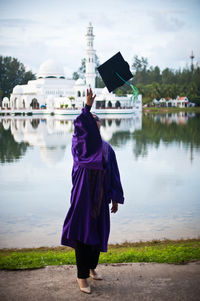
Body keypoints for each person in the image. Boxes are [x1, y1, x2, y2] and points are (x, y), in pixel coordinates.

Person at [61, 88, 124, 294]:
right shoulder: (79, 146)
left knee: (98, 234)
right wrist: (87, 107)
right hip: (83, 197)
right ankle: (82, 278)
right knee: (82, 234)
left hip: (100, 198)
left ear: (99, 128)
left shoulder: (107, 149)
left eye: (95, 124)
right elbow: (80, 125)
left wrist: (114, 198)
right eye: (90, 124)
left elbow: (114, 173)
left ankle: (91, 267)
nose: (92, 128)